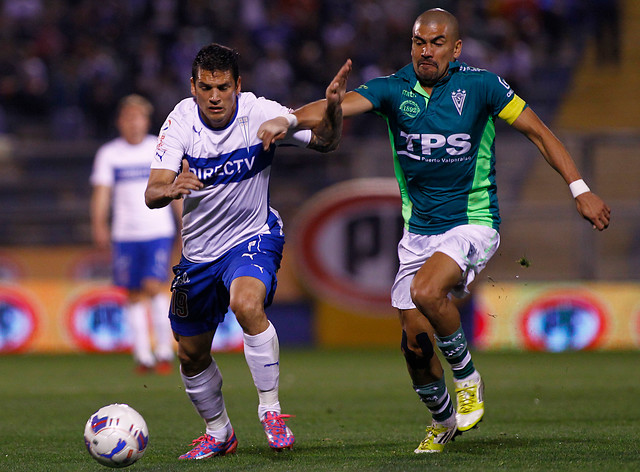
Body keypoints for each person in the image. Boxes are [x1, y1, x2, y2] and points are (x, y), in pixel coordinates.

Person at [258, 8, 611, 454]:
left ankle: (467, 378)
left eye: (437, 42)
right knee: (414, 343)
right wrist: (291, 118)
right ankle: (442, 420)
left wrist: (580, 189)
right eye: (419, 42)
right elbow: (342, 105)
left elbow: (538, 132)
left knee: (427, 292)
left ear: (456, 47)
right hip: (418, 234)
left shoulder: (482, 86)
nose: (427, 51)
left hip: (473, 223)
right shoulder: (392, 89)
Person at [144, 43, 350, 459]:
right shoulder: (181, 121)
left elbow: (325, 142)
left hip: (252, 236)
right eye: (206, 87)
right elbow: (152, 193)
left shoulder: (258, 112)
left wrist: (332, 110)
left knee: (247, 303)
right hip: (199, 253)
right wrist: (172, 188)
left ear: (238, 86)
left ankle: (271, 411)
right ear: (193, 87)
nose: (215, 96)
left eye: (223, 87)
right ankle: (219, 432)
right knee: (190, 352)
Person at [90, 94, 177, 374]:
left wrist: (184, 221)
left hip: (156, 230)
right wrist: (99, 224)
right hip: (125, 233)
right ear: (119, 122)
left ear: (146, 121)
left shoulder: (158, 149)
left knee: (153, 286)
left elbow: (172, 190)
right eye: (127, 117)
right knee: (132, 293)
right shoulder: (109, 154)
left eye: (137, 117)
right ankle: (143, 356)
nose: (132, 123)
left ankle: (164, 350)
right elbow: (102, 193)